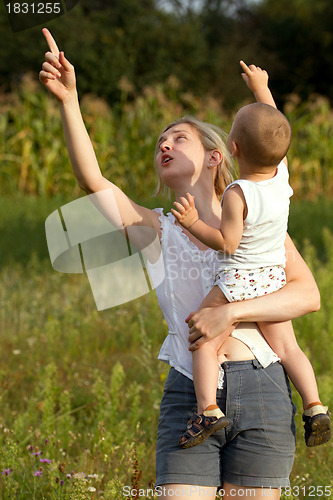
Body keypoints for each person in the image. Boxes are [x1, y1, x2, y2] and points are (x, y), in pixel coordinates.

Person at [39, 28, 322, 499]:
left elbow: (307, 296)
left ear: (217, 156)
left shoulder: (257, 223)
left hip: (264, 386)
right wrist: (70, 100)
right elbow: (93, 179)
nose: (164, 144)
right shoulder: (158, 229)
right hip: (191, 393)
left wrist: (227, 313)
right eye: (159, 142)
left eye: (179, 137)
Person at [171, 62, 331, 450]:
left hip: (237, 280)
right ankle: (315, 406)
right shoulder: (282, 178)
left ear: (235, 149)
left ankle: (207, 410)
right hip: (273, 278)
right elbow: (274, 128)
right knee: (289, 347)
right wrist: (263, 88)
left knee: (203, 338)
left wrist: (192, 222)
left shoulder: (237, 193)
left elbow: (226, 243)